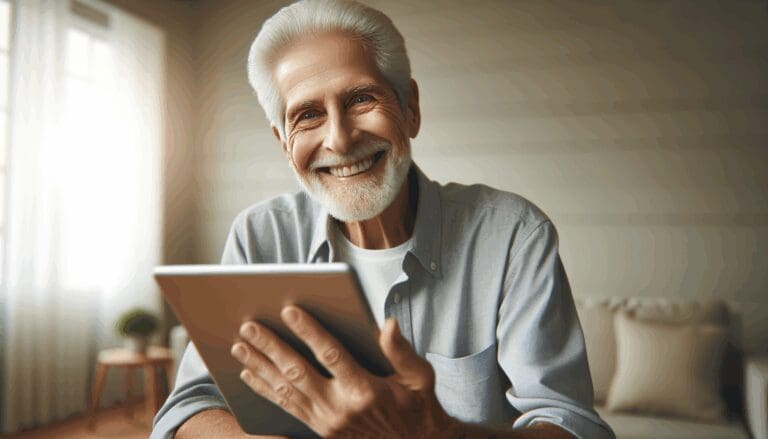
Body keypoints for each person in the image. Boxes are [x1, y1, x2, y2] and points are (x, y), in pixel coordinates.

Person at [152, 1, 615, 438]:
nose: (339, 138)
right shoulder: (259, 236)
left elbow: (571, 423)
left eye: (360, 99)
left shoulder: (513, 234)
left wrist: (434, 434)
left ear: (410, 108)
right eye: (308, 115)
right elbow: (189, 407)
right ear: (282, 143)